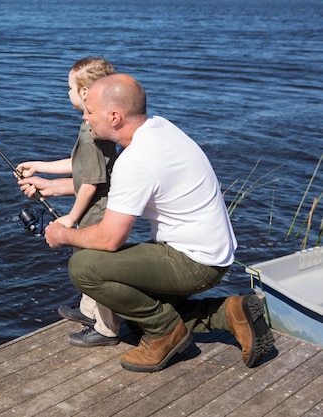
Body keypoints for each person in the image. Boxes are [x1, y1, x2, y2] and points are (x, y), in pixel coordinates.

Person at [31, 73, 275, 372]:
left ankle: (164, 334)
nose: (85, 116)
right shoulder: (157, 129)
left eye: (90, 111)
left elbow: (110, 239)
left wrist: (61, 234)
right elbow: (118, 186)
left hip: (195, 262)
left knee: (85, 267)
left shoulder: (138, 160)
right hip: (209, 252)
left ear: (115, 116)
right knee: (130, 304)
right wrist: (54, 186)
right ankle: (230, 313)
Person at [17, 57, 121, 347]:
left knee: (95, 267)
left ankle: (107, 329)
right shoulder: (92, 126)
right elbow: (80, 165)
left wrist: (70, 218)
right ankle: (88, 311)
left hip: (97, 214)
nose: (67, 93)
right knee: (83, 260)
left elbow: (89, 182)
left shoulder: (91, 134)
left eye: (70, 88)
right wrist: (40, 165)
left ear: (86, 92)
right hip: (96, 210)